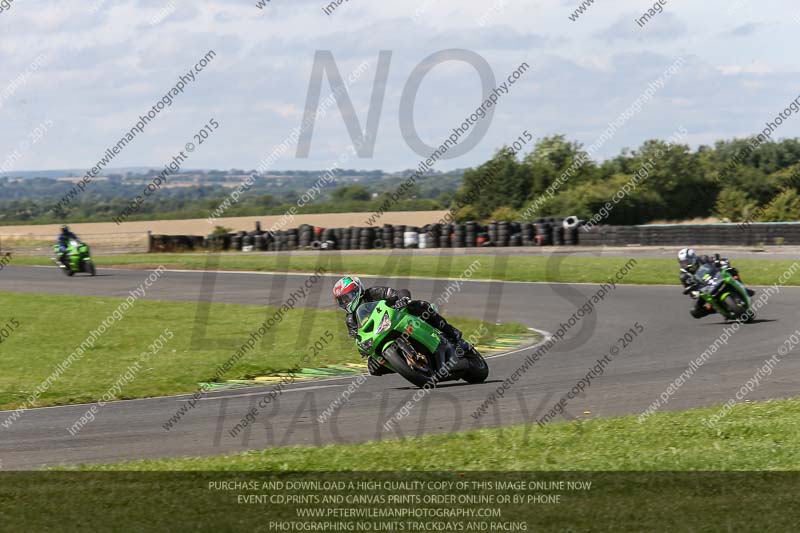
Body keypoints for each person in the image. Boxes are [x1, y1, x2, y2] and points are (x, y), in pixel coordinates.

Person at [333, 276, 475, 376]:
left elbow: (397, 293)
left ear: (357, 291)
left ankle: (450, 332)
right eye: (342, 301)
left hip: (397, 316)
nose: (345, 302)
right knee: (373, 367)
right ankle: (403, 366)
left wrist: (402, 300)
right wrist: (363, 348)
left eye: (347, 298)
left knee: (419, 306)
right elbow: (357, 336)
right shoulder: (350, 319)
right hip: (379, 334)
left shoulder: (373, 292)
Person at [678, 248, 754, 319]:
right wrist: (693, 291)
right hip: (704, 288)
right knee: (694, 312)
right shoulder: (684, 275)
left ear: (693, 258)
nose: (685, 264)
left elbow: (715, 260)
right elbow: (689, 290)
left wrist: (718, 262)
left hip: (716, 277)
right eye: (682, 262)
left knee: (731, 270)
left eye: (686, 261)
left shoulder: (702, 259)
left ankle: (743, 288)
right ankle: (714, 308)